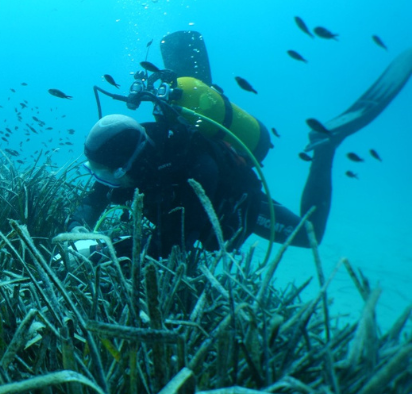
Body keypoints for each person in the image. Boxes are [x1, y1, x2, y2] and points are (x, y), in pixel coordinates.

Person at [67, 32, 412, 259]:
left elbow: (170, 245)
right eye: (96, 169)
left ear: (135, 164)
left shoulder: (189, 173)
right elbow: (95, 195)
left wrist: (101, 254)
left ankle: (325, 147)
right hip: (179, 181)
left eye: (108, 172)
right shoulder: (130, 149)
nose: (102, 179)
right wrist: (77, 230)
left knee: (308, 235)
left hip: (235, 199)